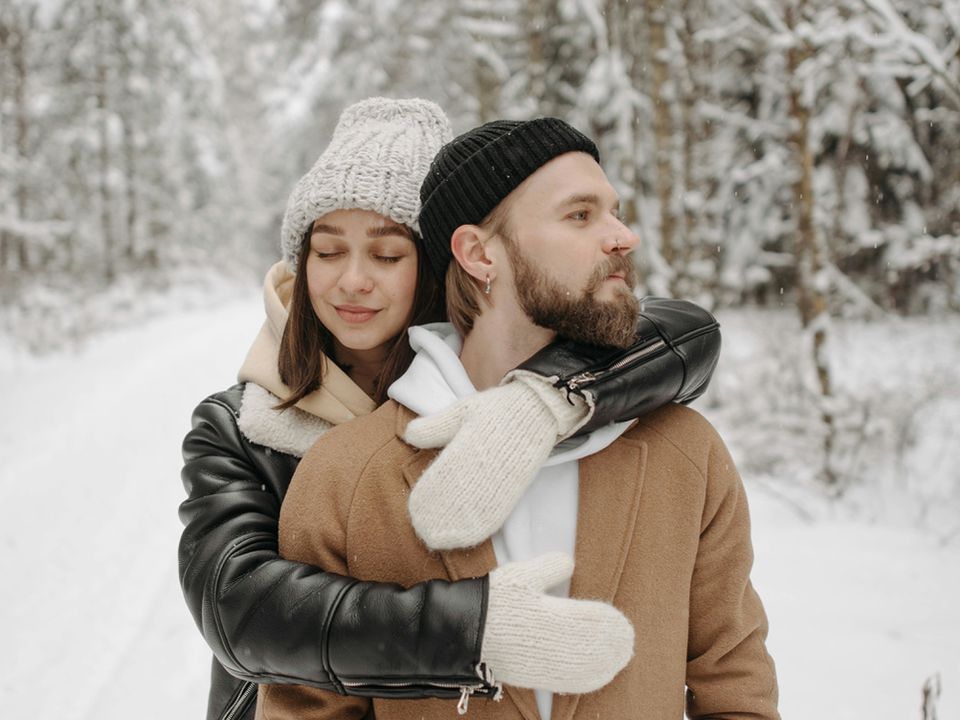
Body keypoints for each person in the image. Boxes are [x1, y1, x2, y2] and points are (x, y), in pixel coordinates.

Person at [179, 100, 723, 720]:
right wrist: (471, 633)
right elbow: (242, 611)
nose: (353, 281)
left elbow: (686, 332)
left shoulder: (489, 381)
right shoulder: (246, 427)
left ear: (444, 266)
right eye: (327, 253)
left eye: (386, 256)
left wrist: (545, 396)